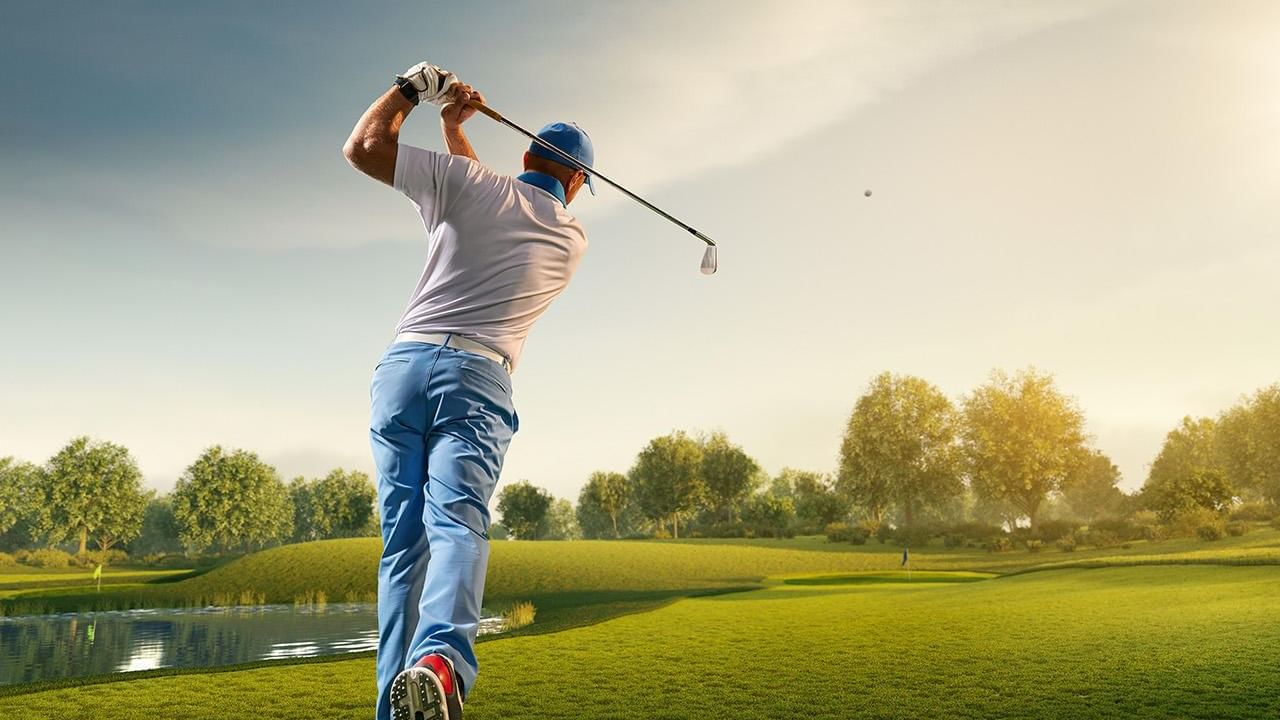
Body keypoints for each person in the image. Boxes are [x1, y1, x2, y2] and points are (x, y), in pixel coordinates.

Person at [342, 61, 593, 720]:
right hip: (476, 379)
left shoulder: (469, 183)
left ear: (526, 155)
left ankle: (393, 709)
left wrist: (416, 96)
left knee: (402, 550)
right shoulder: (570, 239)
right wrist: (458, 133)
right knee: (456, 526)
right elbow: (502, 200)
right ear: (577, 181)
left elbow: (365, 147)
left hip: (400, 371)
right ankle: (441, 666)